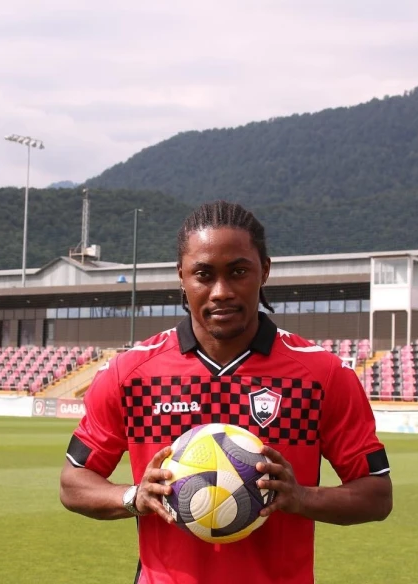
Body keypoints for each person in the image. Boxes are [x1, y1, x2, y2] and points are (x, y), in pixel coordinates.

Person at [60, 200, 392, 584]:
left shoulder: (323, 375)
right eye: (203, 274)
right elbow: (74, 483)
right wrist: (134, 497)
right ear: (181, 276)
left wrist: (302, 497)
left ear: (265, 270)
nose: (221, 292)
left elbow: (376, 495)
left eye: (238, 272)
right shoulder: (130, 374)